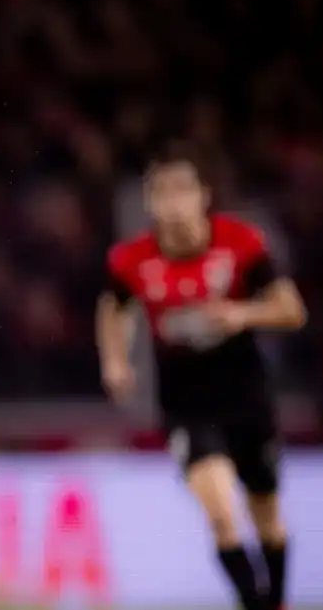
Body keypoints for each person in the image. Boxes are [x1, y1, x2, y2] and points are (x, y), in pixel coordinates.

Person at [96, 142, 305, 610]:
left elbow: (292, 310)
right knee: (221, 517)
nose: (172, 203)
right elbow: (113, 306)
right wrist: (115, 359)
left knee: (267, 518)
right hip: (187, 402)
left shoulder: (241, 243)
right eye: (161, 193)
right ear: (149, 202)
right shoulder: (132, 260)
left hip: (246, 394)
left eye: (181, 190)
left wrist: (241, 313)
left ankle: (276, 601)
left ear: (203, 195)